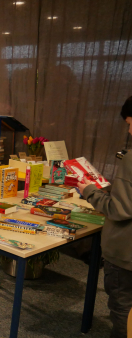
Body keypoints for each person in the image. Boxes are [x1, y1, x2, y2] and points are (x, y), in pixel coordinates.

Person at [78, 96, 132, 338]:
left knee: (123, 309)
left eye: (131, 123)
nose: (130, 130)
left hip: (125, 253)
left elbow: (119, 210)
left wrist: (89, 190)